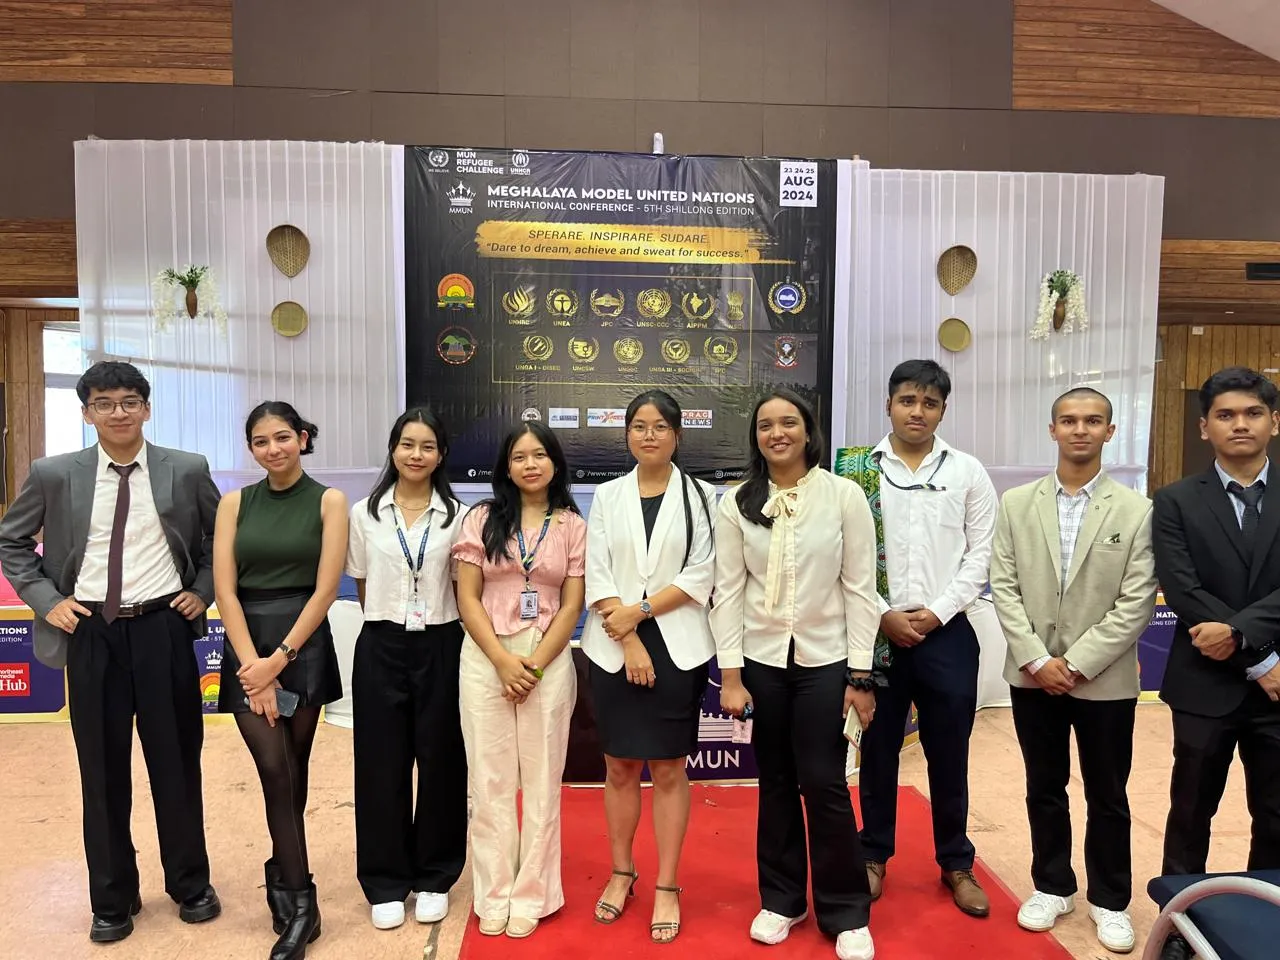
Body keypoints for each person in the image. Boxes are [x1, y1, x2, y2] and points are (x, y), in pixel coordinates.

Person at [0, 361, 222, 943]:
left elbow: (219, 539)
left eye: (128, 402)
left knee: (176, 763)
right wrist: (47, 601)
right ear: (86, 413)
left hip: (163, 628)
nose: (117, 413)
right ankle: (112, 897)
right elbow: (11, 540)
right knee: (101, 772)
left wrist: (203, 590)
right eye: (103, 403)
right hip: (91, 632)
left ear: (146, 408)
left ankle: (190, 884)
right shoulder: (53, 474)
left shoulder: (186, 468)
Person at [711, 388, 880, 960]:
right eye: (765, 425)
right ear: (755, 437)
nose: (777, 433)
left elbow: (860, 588)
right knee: (777, 781)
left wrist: (861, 674)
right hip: (762, 660)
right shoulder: (737, 501)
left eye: (788, 422)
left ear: (809, 431)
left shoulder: (843, 496)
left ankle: (846, 911)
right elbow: (728, 590)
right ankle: (783, 900)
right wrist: (731, 675)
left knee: (825, 782)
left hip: (825, 659)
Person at [990, 387, 1157, 954]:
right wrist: (1038, 659)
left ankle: (1110, 900)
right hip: (1032, 675)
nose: (1079, 429)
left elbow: (1136, 602)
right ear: (1052, 429)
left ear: (1110, 431)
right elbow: (1004, 586)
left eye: (1092, 421)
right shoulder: (1016, 504)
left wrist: (1078, 663)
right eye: (1068, 420)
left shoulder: (1136, 510)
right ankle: (1052, 886)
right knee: (1044, 786)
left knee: (1108, 793)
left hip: (1104, 681)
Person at [843, 359, 997, 918]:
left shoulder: (968, 472)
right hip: (876, 633)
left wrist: (936, 613)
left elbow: (981, 554)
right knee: (879, 750)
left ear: (942, 410)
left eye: (929, 403)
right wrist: (883, 613)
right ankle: (872, 855)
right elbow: (844, 552)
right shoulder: (856, 471)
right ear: (888, 404)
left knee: (949, 753)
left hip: (947, 634)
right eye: (907, 400)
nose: (917, 411)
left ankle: (956, 862)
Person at [213, 402, 347, 960]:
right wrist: (256, 669)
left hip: (303, 641)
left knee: (294, 769)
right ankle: (303, 901)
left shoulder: (329, 500)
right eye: (261, 441)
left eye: (283, 437)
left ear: (303, 439)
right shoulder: (234, 503)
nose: (274, 448)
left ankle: (280, 871)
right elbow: (224, 589)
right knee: (274, 770)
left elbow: (326, 588)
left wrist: (281, 659)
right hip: (248, 643)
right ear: (251, 448)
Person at [582, 390, 716, 944]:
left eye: (660, 426)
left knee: (666, 769)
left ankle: (666, 883)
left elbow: (701, 573)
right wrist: (629, 637)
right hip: (613, 643)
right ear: (627, 435)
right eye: (639, 426)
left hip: (677, 644)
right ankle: (621, 872)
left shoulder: (702, 495)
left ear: (678, 435)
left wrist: (638, 614)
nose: (649, 435)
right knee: (618, 766)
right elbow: (596, 571)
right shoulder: (607, 495)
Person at [452, 421, 587, 939]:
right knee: (489, 782)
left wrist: (533, 665)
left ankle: (533, 893)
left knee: (543, 781)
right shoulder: (482, 518)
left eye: (539, 455)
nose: (530, 465)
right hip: (486, 656)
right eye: (519, 457)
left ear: (555, 463)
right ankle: (494, 893)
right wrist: (503, 661)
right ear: (506, 467)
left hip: (546, 659)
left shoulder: (572, 525)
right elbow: (467, 597)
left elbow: (572, 604)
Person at [1153, 367, 1280, 875]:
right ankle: (1179, 915)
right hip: (1204, 682)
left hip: (1278, 687)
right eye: (1225, 415)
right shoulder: (1175, 500)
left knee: (1276, 815)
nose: (1240, 424)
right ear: (1205, 427)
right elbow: (1183, 589)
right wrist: (1260, 658)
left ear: (1274, 421)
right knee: (1190, 812)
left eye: (1253, 413)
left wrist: (1240, 634)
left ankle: (1266, 911)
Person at [346, 408, 469, 930]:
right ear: (393, 449)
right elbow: (361, 583)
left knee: (442, 762)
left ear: (441, 455)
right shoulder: (364, 514)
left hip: (442, 643)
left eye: (427, 446)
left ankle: (436, 876)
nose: (416, 455)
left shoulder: (459, 517)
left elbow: (464, 589)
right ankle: (385, 880)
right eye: (407, 444)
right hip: (381, 644)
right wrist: (392, 623)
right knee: (381, 764)